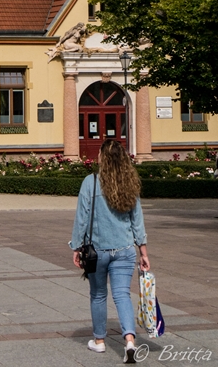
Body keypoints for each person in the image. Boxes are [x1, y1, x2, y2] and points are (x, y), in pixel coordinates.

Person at [70, 141, 149, 364]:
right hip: (124, 249)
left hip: (98, 251)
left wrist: (76, 246)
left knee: (98, 294)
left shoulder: (91, 182)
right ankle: (130, 341)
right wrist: (143, 251)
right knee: (122, 294)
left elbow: (82, 218)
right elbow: (137, 220)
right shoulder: (130, 183)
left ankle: (99, 341)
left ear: (102, 159)